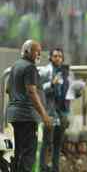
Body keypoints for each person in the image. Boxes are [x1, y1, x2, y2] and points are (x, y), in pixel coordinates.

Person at [6, 39, 53, 172]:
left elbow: (8, 90)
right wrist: (44, 115)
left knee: (18, 152)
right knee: (28, 155)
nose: (39, 54)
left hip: (15, 116)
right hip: (27, 117)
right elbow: (32, 91)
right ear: (26, 51)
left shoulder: (15, 66)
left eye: (40, 51)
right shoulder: (30, 67)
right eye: (36, 51)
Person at [39, 48, 81, 172]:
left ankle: (55, 168)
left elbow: (72, 89)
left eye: (60, 56)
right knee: (47, 142)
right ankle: (42, 168)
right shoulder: (45, 71)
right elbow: (39, 89)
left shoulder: (67, 72)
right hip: (50, 111)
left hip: (63, 111)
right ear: (51, 57)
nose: (58, 58)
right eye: (55, 56)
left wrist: (77, 92)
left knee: (58, 143)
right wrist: (52, 84)